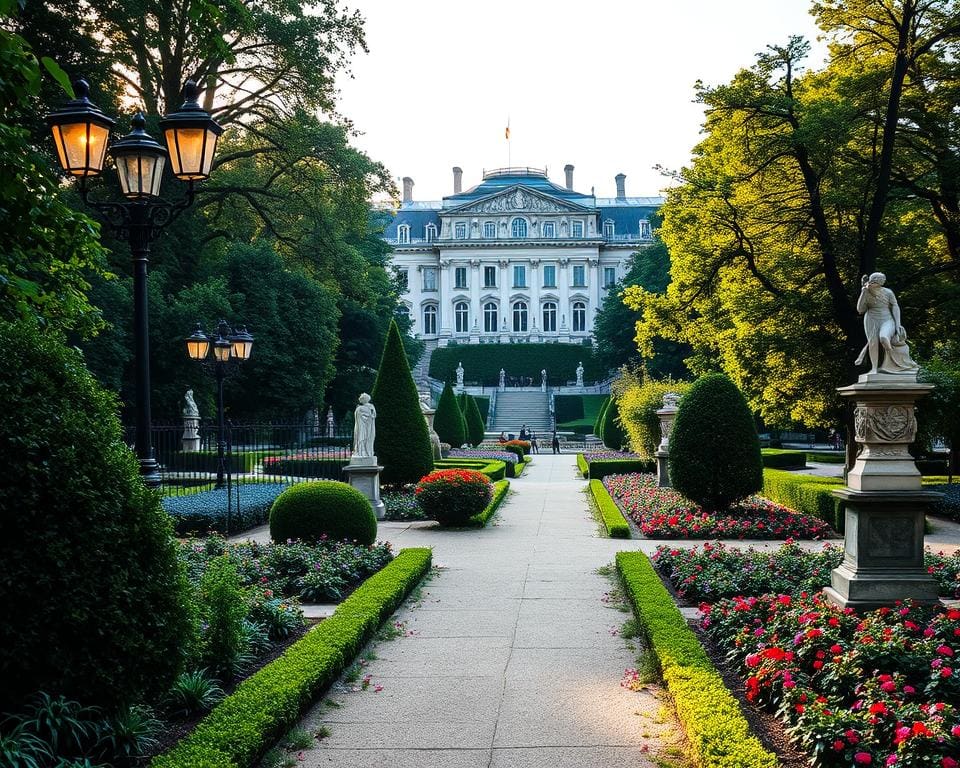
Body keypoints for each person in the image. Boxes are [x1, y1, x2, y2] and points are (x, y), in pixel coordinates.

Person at [854, 272, 919, 375]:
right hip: (871, 319)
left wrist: (898, 324)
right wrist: (863, 292)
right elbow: (860, 310)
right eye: (882, 279)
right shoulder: (867, 292)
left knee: (884, 337)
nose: (884, 280)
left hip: (887, 319)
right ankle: (874, 368)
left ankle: (895, 361)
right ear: (876, 280)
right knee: (873, 343)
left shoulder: (888, 292)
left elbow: (895, 306)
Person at [352, 393, 377, 458]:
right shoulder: (360, 408)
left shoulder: (369, 407)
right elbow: (372, 416)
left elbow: (373, 416)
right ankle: (361, 452)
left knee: (366, 439)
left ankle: (365, 452)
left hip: (368, 427)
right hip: (362, 427)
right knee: (362, 438)